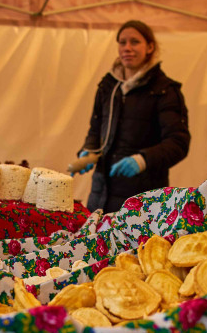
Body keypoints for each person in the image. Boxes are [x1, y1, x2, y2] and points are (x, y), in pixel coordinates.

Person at [72, 20, 191, 213]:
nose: (127, 48)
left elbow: (178, 143)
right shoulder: (108, 86)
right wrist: (88, 150)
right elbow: (96, 128)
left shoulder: (165, 90)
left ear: (150, 47)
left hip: (144, 201)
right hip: (100, 196)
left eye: (134, 42)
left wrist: (143, 160)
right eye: (122, 42)